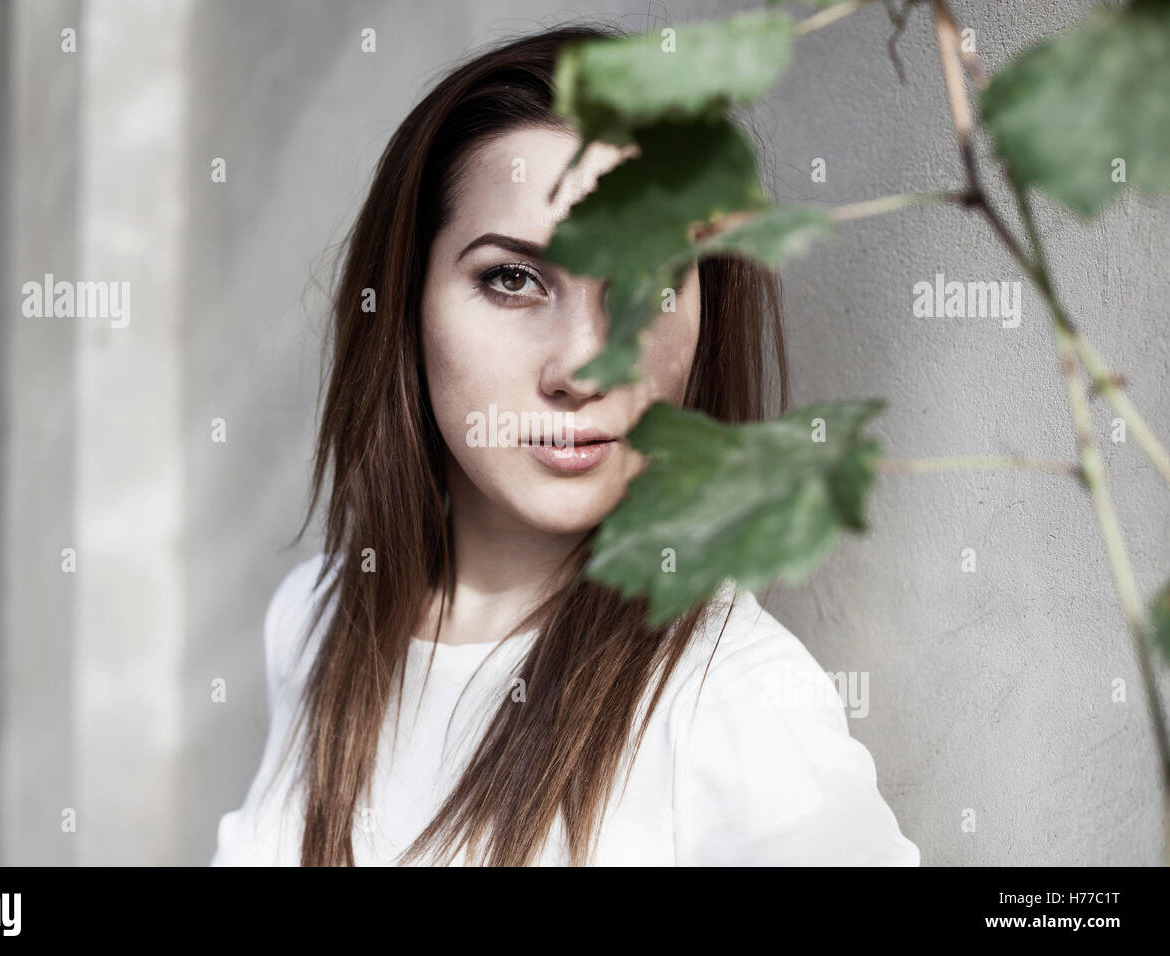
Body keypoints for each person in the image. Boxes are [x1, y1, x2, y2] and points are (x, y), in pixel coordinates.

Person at [211, 23, 920, 867]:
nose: (583, 365)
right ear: (404, 306)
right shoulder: (318, 619)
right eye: (513, 279)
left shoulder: (735, 704)